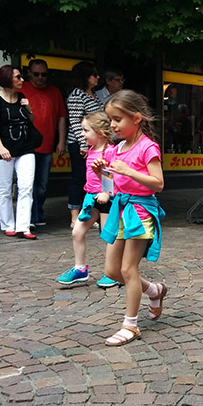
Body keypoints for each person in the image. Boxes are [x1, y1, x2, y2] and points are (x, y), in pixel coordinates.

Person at [93, 90, 166, 346]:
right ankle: (154, 290)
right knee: (112, 271)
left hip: (141, 212)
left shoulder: (148, 147)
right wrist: (102, 173)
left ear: (136, 118)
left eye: (118, 119)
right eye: (110, 119)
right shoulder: (117, 148)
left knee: (127, 269)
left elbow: (158, 183)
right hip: (121, 211)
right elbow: (113, 185)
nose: (113, 125)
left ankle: (130, 325)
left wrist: (130, 171)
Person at [56, 112, 117, 286]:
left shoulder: (110, 151)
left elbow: (114, 176)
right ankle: (80, 269)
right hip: (91, 198)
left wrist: (107, 193)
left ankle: (113, 272)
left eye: (86, 130)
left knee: (109, 237)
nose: (82, 134)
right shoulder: (91, 149)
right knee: (77, 232)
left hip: (107, 200)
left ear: (100, 133)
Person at [0, 65, 37, 239]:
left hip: (25, 147)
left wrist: (29, 108)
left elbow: (31, 120)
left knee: (26, 186)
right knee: (4, 188)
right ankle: (8, 224)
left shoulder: (21, 97)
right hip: (5, 148)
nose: (22, 80)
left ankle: (24, 226)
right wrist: (1, 147)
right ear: (8, 78)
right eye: (18, 77)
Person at [21, 59, 68, 226]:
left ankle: (37, 214)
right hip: (26, 145)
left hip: (47, 144)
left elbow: (61, 118)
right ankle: (29, 217)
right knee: (27, 184)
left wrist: (61, 141)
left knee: (41, 185)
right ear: (29, 73)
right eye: (36, 74)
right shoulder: (21, 88)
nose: (40, 77)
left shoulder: (54, 91)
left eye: (44, 74)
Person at [66, 61, 104, 228]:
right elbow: (75, 122)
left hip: (93, 143)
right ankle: (74, 216)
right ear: (85, 76)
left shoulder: (93, 95)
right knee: (79, 178)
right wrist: (83, 144)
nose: (97, 77)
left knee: (91, 178)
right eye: (93, 74)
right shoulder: (77, 95)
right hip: (79, 143)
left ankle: (87, 213)